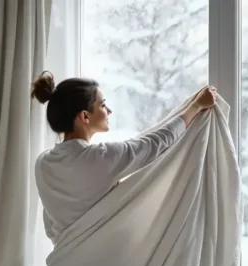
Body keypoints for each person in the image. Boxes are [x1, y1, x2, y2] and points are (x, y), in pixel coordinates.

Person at [31, 70, 218, 243]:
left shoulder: (42, 164)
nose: (109, 111)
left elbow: (51, 226)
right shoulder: (99, 158)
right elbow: (156, 142)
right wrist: (196, 106)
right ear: (85, 116)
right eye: (103, 105)